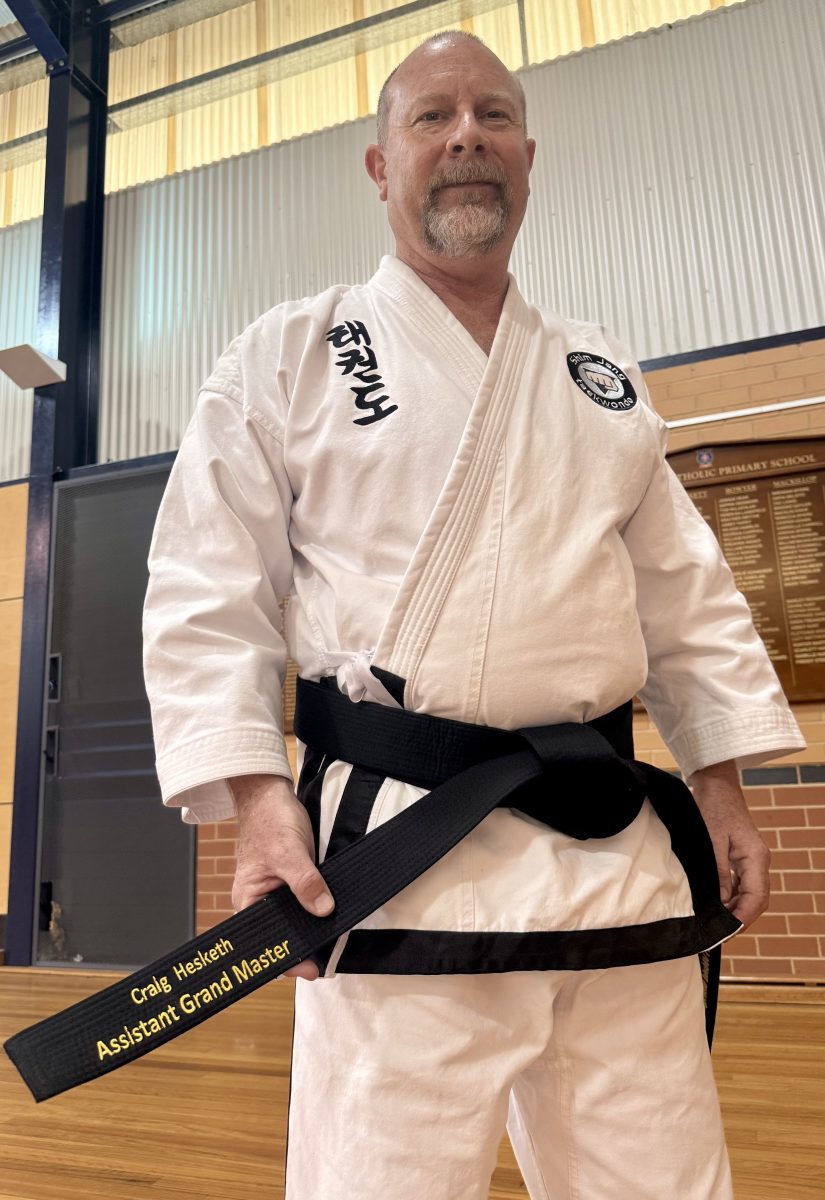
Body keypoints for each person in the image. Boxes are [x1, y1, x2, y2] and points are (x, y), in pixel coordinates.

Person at [143, 30, 804, 1199]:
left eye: (493, 117)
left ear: (529, 158)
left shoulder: (597, 371)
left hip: (613, 861)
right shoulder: (288, 355)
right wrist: (254, 804)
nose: (465, 138)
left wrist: (721, 781)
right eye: (432, 118)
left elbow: (682, 593)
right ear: (379, 164)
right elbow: (208, 589)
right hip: (403, 857)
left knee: (666, 1182)